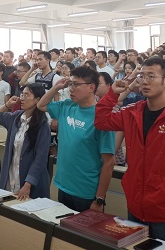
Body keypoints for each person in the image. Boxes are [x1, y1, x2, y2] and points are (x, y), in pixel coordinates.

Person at [95, 57, 165, 246]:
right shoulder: (132, 112)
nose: (144, 81)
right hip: (135, 208)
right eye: (141, 76)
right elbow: (101, 121)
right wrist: (112, 94)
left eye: (151, 76)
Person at [38, 66, 115, 212]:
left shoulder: (101, 117)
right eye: (70, 84)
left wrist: (99, 199)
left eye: (76, 85)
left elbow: (109, 163)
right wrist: (56, 87)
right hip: (63, 186)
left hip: (86, 192)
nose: (71, 89)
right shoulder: (67, 106)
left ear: (91, 87)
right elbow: (41, 105)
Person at [0, 83, 51, 199]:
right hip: (11, 174)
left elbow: (40, 158)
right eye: (22, 94)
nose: (22, 98)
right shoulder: (16, 117)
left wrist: (28, 184)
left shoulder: (42, 124)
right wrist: (8, 104)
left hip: (29, 181)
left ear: (37, 100)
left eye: (26, 95)